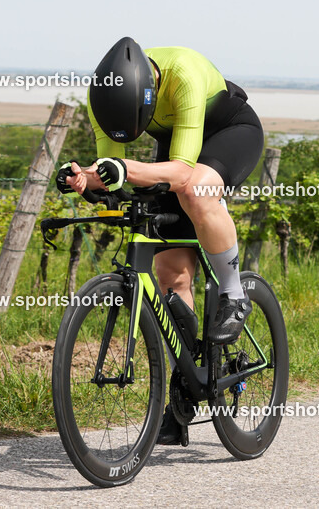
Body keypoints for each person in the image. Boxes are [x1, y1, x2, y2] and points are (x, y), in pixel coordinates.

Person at [57, 36, 264, 444]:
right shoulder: (101, 98)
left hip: (228, 132)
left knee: (196, 191)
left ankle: (234, 292)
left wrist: (123, 169)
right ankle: (187, 384)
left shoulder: (181, 73)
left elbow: (184, 172)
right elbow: (111, 172)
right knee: (171, 274)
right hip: (176, 143)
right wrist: (87, 179)